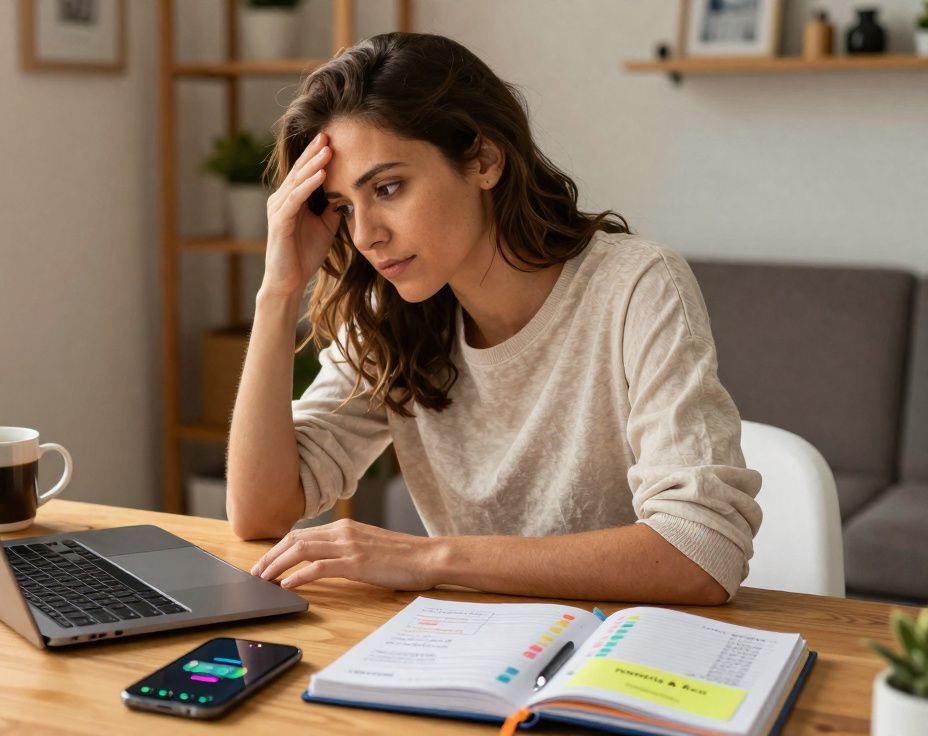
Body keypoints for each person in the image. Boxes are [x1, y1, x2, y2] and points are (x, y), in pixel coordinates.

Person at [225, 32, 762, 605]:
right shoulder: (392, 315)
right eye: (342, 208)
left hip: (622, 641)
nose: (365, 236)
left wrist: (427, 558)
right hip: (471, 641)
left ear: (483, 160)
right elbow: (261, 511)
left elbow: (703, 550)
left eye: (388, 187)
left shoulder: (635, 286)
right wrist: (277, 292)